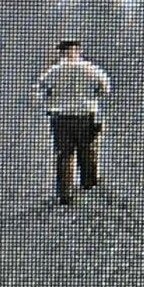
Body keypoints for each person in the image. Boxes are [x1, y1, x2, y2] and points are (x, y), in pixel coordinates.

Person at [36, 40, 112, 205]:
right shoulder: (90, 69)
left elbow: (41, 91)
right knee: (87, 152)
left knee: (64, 155)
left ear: (62, 53)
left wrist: (52, 102)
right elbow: (105, 88)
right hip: (85, 116)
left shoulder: (54, 71)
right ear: (77, 51)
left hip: (61, 117)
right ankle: (89, 188)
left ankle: (65, 194)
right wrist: (93, 98)